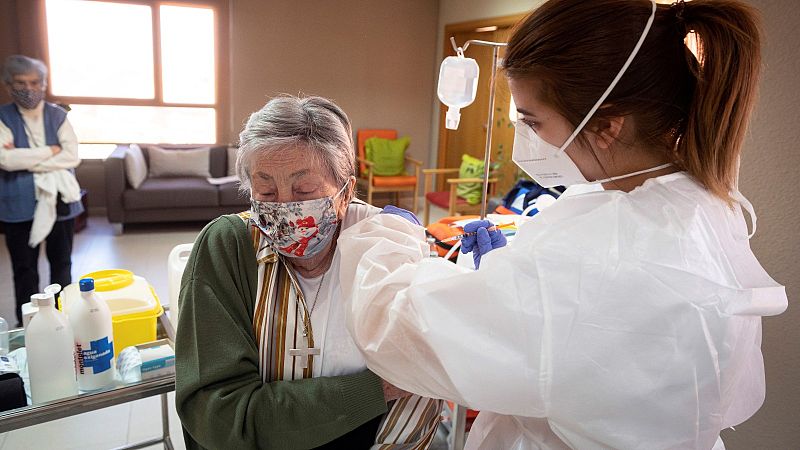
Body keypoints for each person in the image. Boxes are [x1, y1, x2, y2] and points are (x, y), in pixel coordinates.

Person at [337, 1, 788, 449]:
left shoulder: (595, 253)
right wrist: (512, 277)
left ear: (607, 126)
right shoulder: (701, 202)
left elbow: (401, 335)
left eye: (533, 122)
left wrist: (387, 236)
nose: (528, 139)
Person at [175, 95, 442, 449]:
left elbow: (418, 390)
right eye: (266, 191)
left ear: (345, 193)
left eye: (304, 190)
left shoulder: (385, 248)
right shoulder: (226, 248)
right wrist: (374, 390)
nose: (284, 208)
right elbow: (220, 415)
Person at [0, 55, 82, 327]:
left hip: (60, 201)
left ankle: (62, 320)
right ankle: (30, 325)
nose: (29, 88)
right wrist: (51, 151)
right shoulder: (3, 117)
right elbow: (5, 160)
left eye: (35, 82)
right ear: (8, 85)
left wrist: (25, 158)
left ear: (44, 84)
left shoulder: (58, 116)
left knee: (62, 264)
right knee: (25, 269)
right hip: (18, 205)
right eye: (21, 83)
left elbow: (71, 156)